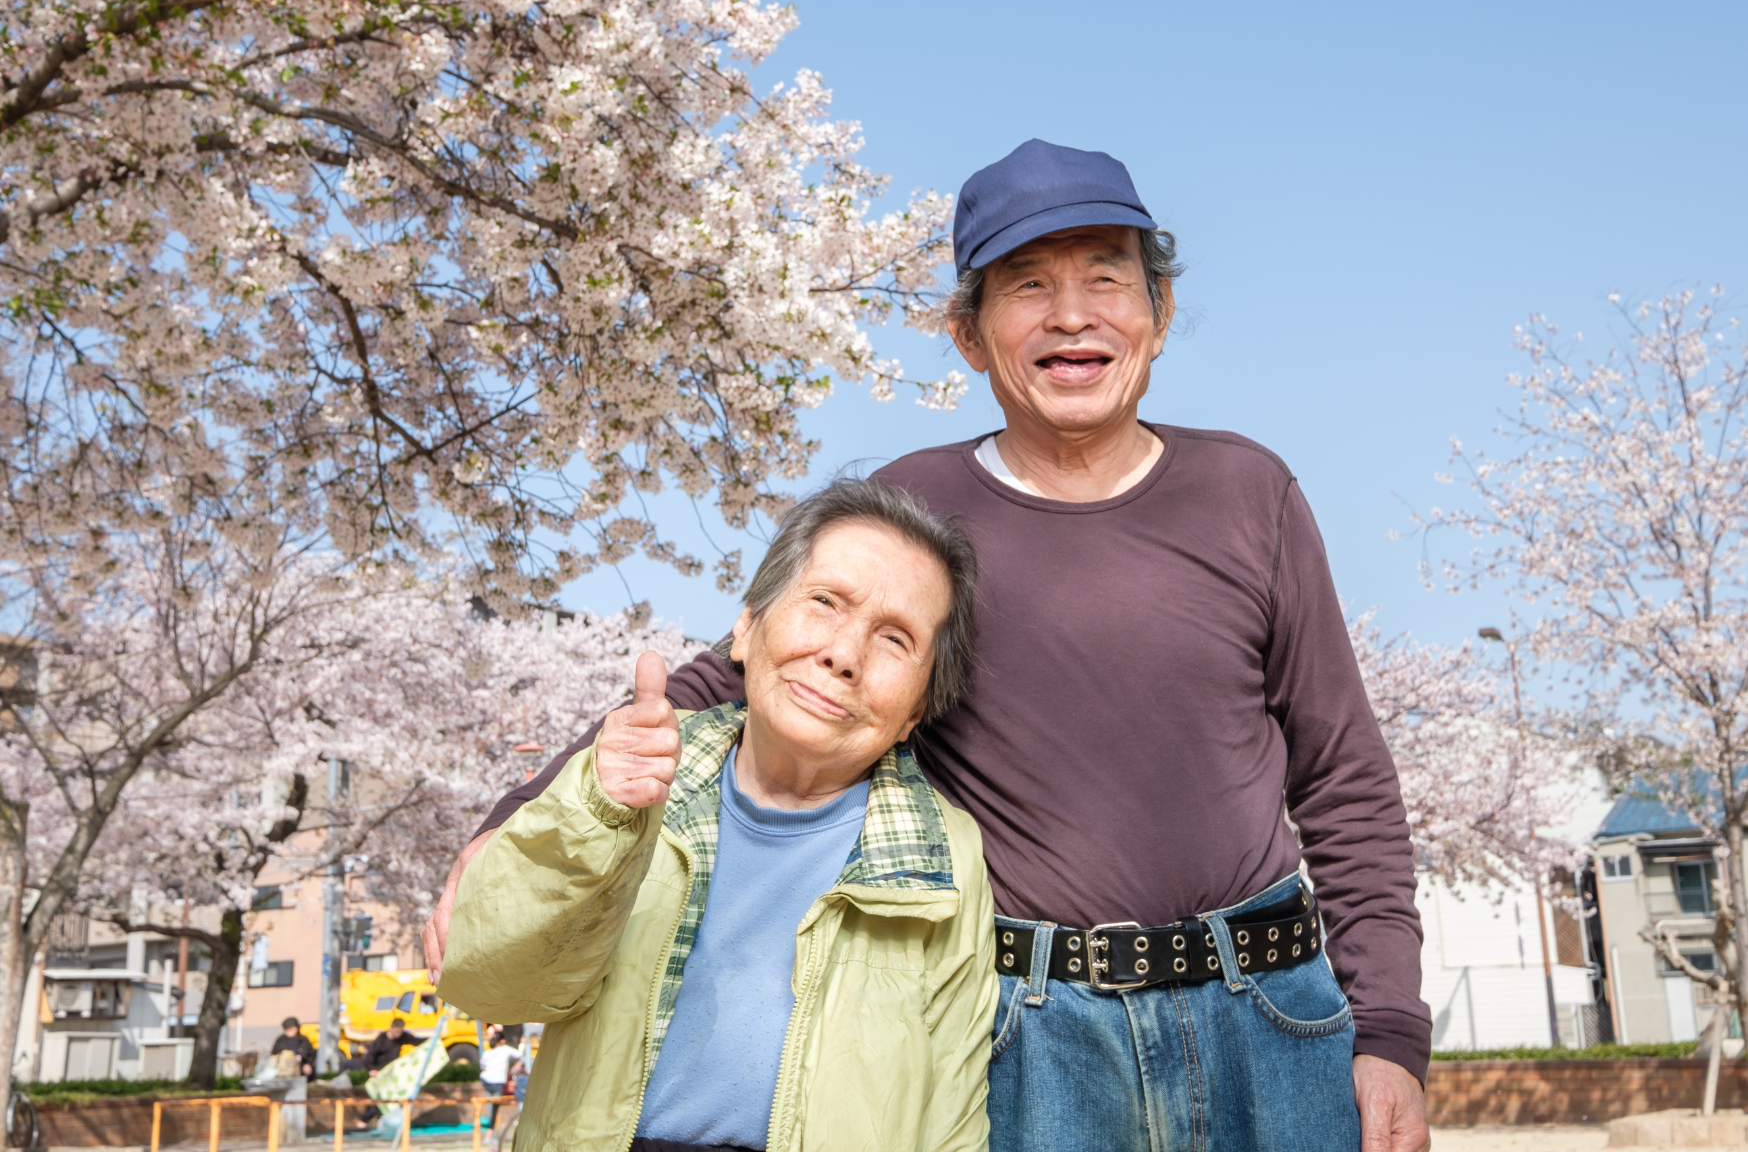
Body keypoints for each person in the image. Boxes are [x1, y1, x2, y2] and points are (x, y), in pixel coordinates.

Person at [428, 140, 1434, 1152]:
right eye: (1027, 286)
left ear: (1159, 313)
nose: (1071, 314)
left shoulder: (1246, 490)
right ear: (968, 335)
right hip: (1040, 1030)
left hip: (1267, 1003)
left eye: (1104, 278)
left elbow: (1340, 770)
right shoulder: (921, 502)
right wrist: (517, 816)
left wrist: (1387, 1024)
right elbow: (729, 670)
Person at [437, 480, 996, 1152]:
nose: (843, 656)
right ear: (746, 625)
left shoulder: (945, 857)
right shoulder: (631, 784)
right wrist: (594, 813)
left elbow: (951, 1118)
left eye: (896, 639)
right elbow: (490, 985)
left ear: (915, 713)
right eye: (824, 602)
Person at [358, 1018, 422, 1075]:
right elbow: (370, 1055)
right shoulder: (381, 1039)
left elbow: (416, 1041)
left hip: (393, 1070)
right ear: (391, 1028)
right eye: (396, 1032)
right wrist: (372, 1069)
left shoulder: (402, 1037)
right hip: (379, 1070)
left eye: (400, 1032)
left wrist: (431, 1039)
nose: (398, 1034)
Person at [478, 1030, 514, 1130]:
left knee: (493, 1103)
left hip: (485, 1081)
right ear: (502, 1041)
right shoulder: (505, 1049)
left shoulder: (486, 1053)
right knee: (495, 1106)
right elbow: (519, 1054)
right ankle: (490, 1130)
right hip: (497, 1082)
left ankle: (490, 1128)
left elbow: (482, 1066)